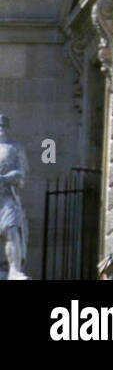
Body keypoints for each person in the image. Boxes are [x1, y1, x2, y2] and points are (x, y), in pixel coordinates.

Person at [0, 115, 29, 280]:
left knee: (11, 231)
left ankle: (14, 268)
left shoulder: (15, 148)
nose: (0, 129)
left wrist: (5, 178)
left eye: (3, 126)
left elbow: (22, 172)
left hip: (7, 197)